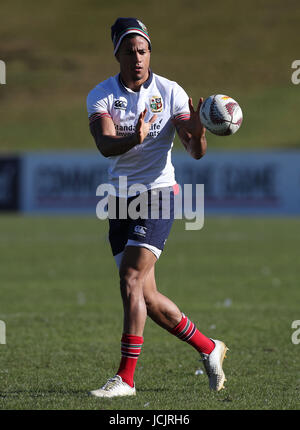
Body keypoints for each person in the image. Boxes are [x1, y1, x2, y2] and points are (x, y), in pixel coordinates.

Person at [87, 17, 228, 398]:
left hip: (159, 194)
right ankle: (208, 347)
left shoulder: (170, 92)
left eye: (143, 50)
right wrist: (135, 135)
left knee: (131, 280)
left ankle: (126, 380)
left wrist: (198, 132)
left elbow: (195, 152)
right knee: (145, 296)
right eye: (130, 51)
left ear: (150, 51)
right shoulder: (100, 95)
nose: (138, 57)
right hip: (118, 199)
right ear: (117, 53)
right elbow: (105, 143)